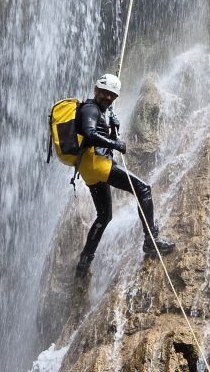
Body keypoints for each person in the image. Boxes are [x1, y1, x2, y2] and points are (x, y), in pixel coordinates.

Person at [74, 73, 175, 278]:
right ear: (95, 90)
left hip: (88, 169)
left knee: (104, 215)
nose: (109, 98)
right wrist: (115, 144)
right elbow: (89, 133)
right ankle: (151, 240)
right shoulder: (90, 109)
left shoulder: (98, 110)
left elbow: (96, 132)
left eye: (112, 95)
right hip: (99, 164)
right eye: (105, 93)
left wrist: (112, 126)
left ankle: (84, 262)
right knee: (143, 189)